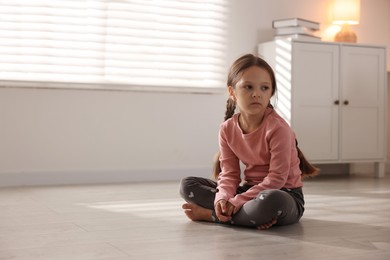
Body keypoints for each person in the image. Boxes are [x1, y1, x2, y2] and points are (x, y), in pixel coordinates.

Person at [179, 54, 318, 230]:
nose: (256, 94)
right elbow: (229, 174)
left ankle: (212, 216)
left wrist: (236, 201)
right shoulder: (227, 129)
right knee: (187, 185)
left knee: (271, 201)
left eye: (264, 88)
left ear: (271, 92)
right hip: (249, 192)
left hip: (283, 194)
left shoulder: (278, 129)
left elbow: (276, 179)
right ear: (232, 92)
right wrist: (222, 198)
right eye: (248, 87)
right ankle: (245, 215)